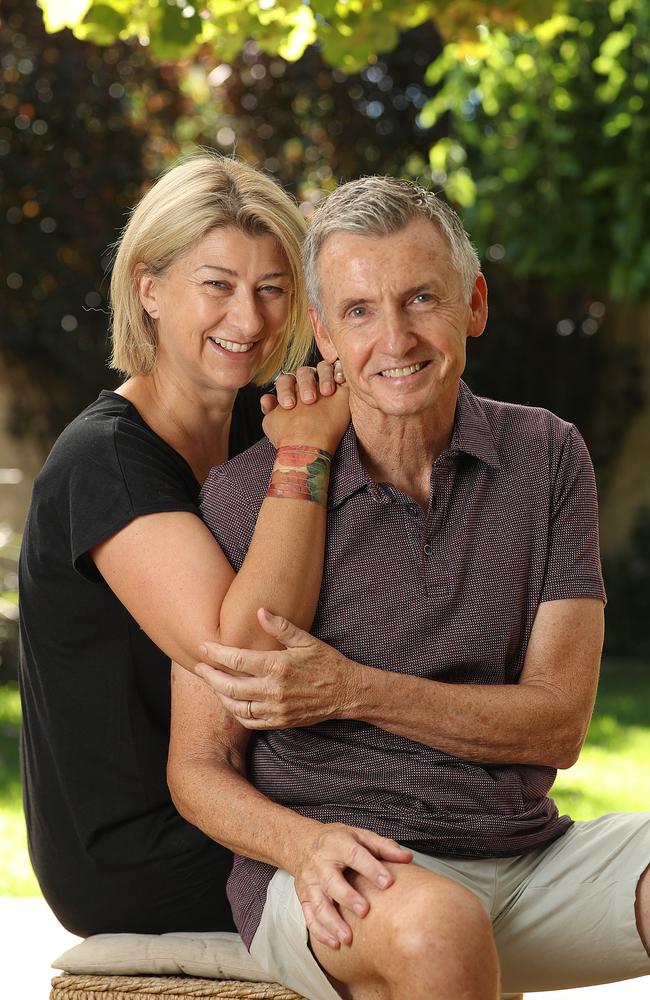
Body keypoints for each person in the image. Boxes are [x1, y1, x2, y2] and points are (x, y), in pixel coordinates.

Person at [168, 175, 650, 1000]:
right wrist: (302, 847)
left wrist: (349, 690)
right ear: (323, 331)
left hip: (527, 855)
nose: (394, 338)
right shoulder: (251, 494)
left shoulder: (547, 456)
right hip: (340, 866)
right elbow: (199, 767)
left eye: (421, 297)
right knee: (441, 926)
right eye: (358, 311)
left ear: (474, 304)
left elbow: (558, 726)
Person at [18, 153, 350, 938]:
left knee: (459, 850)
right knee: (425, 891)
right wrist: (305, 456)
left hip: (250, 804)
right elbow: (243, 652)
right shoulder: (103, 462)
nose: (249, 319)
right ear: (149, 289)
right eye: (217, 285)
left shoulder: (253, 426)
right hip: (142, 852)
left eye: (272, 289)